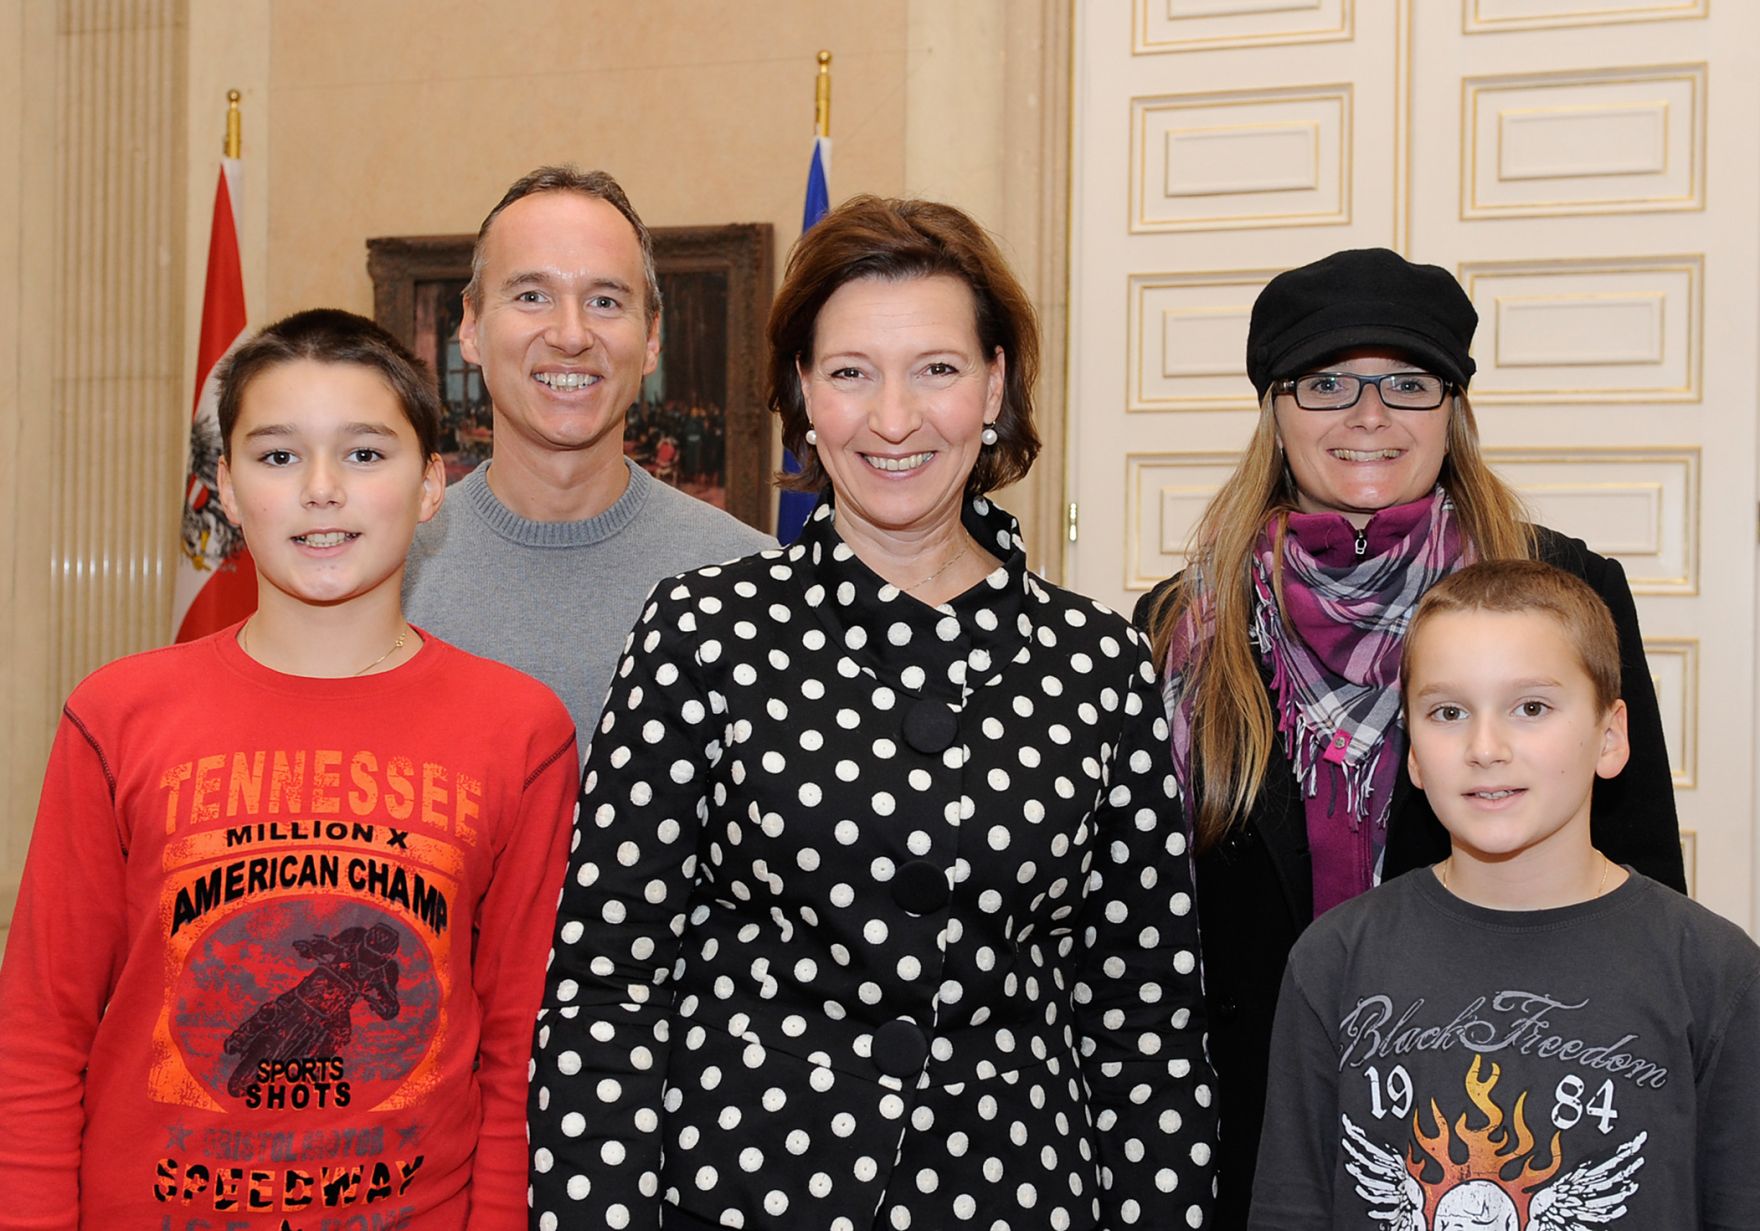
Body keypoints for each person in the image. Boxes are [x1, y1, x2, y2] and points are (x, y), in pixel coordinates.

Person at [528, 196, 1217, 1231]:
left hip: (1013, 1200)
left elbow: (1143, 1022)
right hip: (742, 1196)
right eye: (850, 372)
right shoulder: (701, 632)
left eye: (935, 369)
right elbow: (605, 990)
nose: (893, 418)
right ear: (803, 393)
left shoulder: (1095, 663)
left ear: (994, 383)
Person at [1133, 247, 1684, 1226]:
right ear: (1274, 407)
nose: (1367, 414)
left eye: (1406, 382)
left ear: (1451, 406)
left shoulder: (1562, 589)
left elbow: (1635, 874)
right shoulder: (1183, 624)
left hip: (1507, 1121)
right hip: (1252, 1126)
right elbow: (1141, 921)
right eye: (1325, 381)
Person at [0, 309, 579, 1228]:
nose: (320, 490)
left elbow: (521, 1054)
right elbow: (38, 1037)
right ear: (225, 486)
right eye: (276, 457)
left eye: (364, 454)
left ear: (432, 484)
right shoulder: (117, 715)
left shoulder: (520, 732)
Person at [1248, 560, 1758, 1228]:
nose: (1485, 746)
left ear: (1610, 736)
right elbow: (1291, 1208)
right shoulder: (1332, 960)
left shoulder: (1714, 969)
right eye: (1449, 711)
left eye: (1531, 707)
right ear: (1415, 754)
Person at [403, 166, 774, 743]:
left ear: (651, 337)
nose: (571, 335)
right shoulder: (388, 571)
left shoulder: (748, 580)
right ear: (471, 327)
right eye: (532, 296)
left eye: (604, 301)